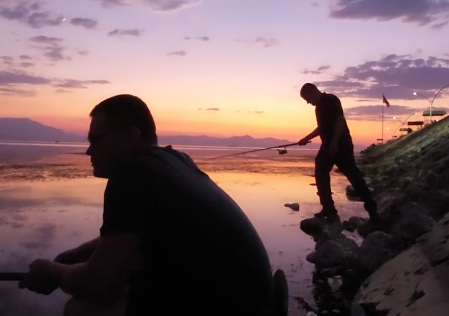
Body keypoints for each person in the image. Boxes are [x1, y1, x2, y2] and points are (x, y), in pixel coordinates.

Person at [19, 94, 276, 316]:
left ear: (131, 136)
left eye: (96, 140)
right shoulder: (176, 161)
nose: (88, 151)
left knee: (81, 309)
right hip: (257, 301)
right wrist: (80, 253)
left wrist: (53, 271)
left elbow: (99, 285)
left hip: (233, 309)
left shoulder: (132, 174)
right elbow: (140, 233)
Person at [297, 83, 379, 222]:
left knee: (353, 176)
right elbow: (322, 128)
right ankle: (329, 209)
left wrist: (334, 143)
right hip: (327, 144)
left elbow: (340, 121)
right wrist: (306, 138)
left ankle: (373, 210)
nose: (307, 102)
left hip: (342, 144)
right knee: (320, 172)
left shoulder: (331, 99)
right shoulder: (318, 108)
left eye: (307, 99)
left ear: (312, 92)